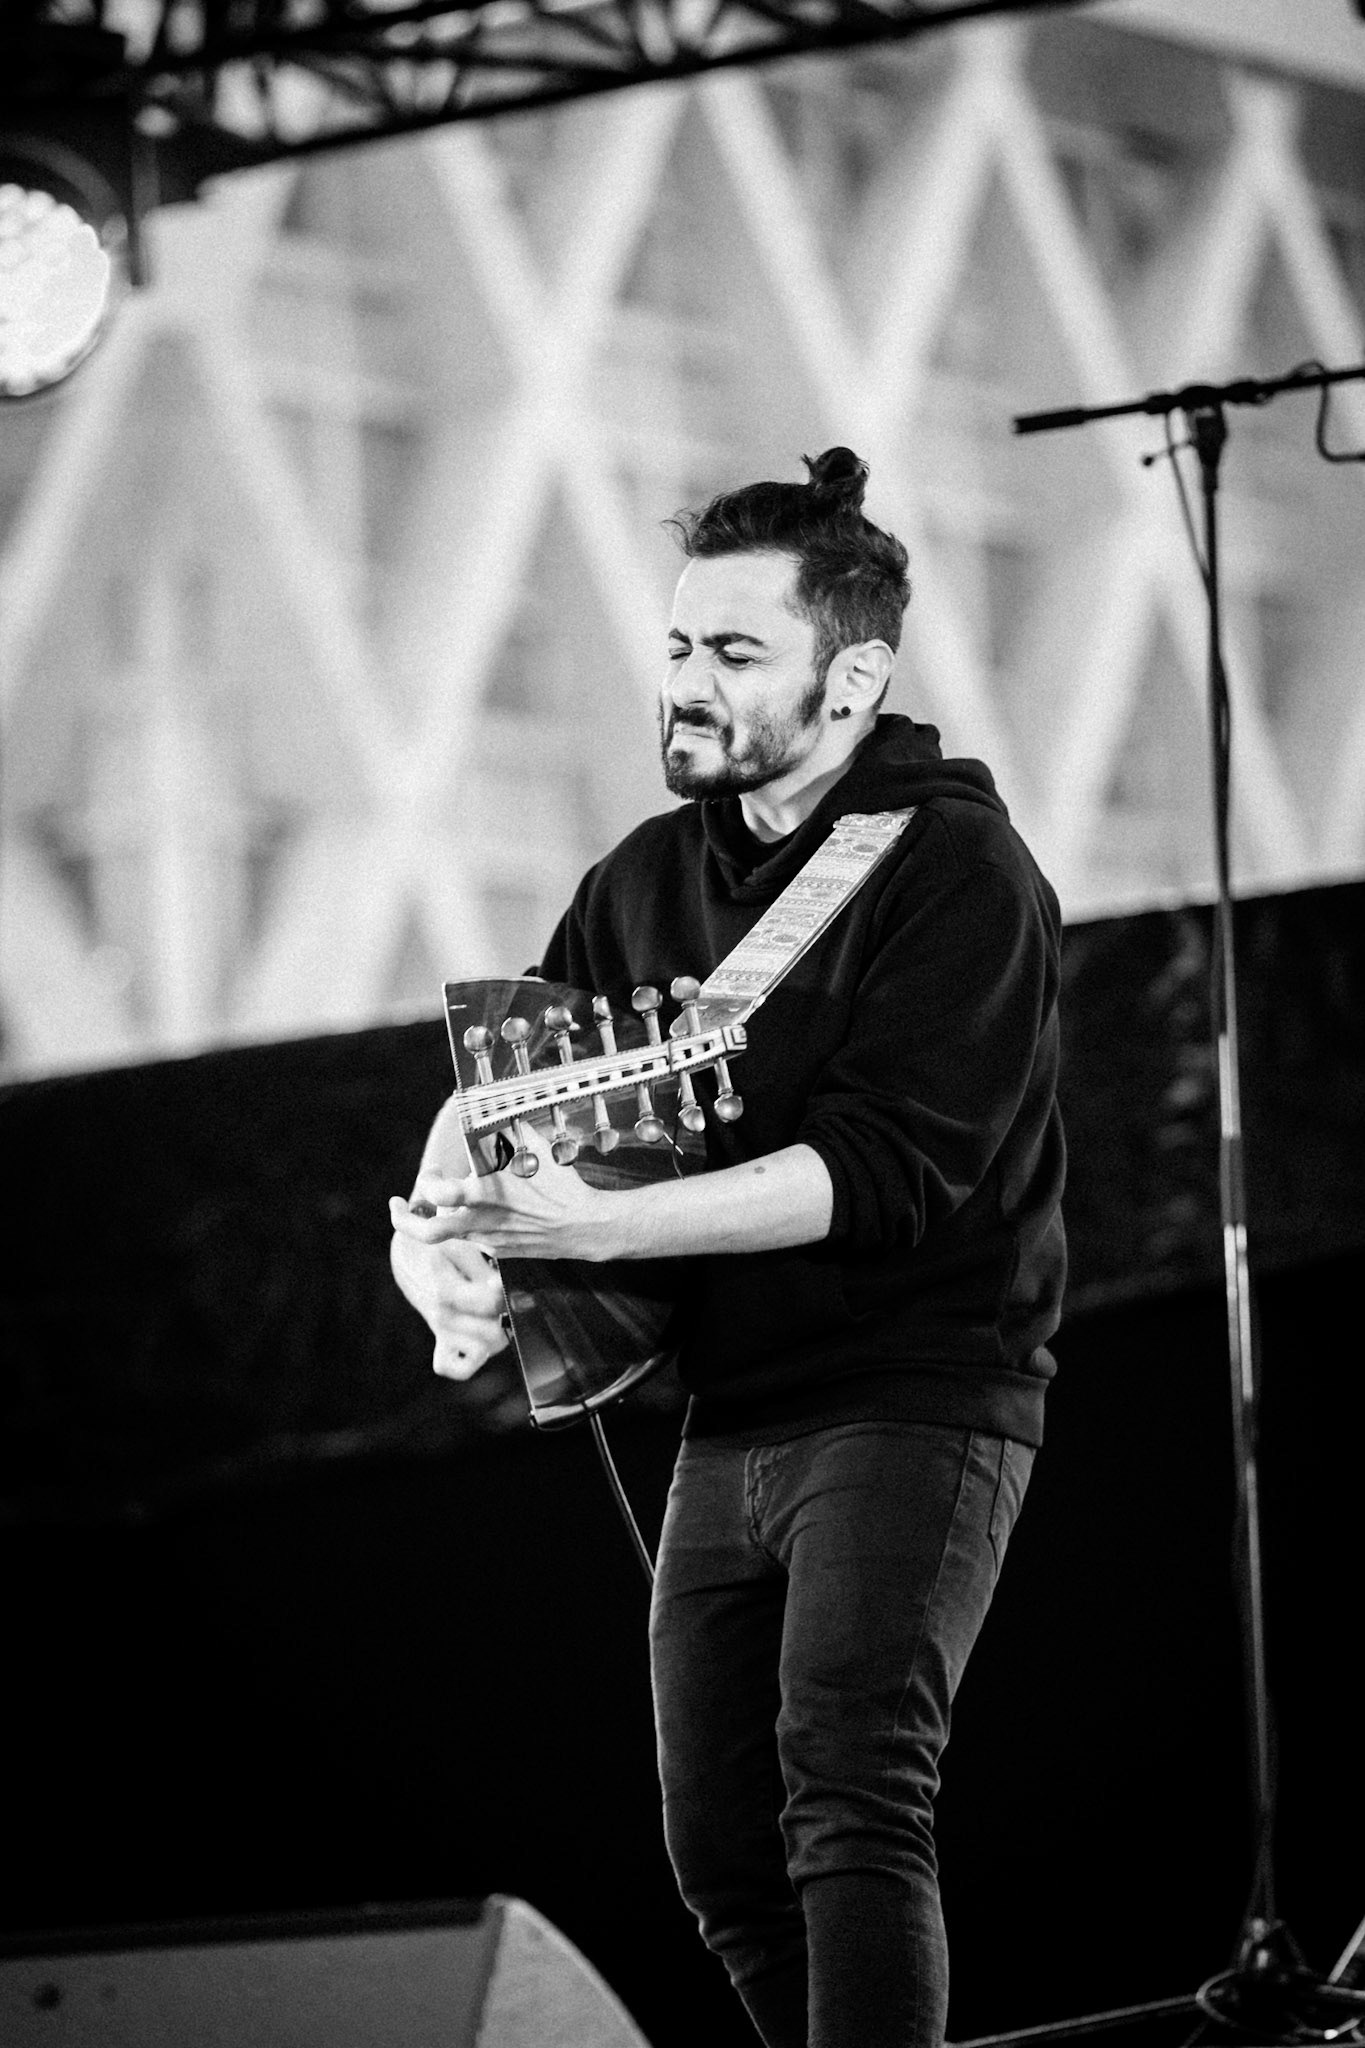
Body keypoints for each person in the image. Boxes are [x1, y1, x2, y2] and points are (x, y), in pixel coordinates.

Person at [389, 447, 1066, 2048]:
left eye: (733, 653)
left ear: (854, 678)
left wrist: (603, 1225)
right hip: (726, 1415)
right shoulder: (640, 875)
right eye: (680, 645)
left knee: (847, 1805)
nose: (685, 684)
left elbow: (886, 1173)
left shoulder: (955, 869)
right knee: (719, 1862)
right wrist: (440, 1255)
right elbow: (500, 1101)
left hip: (915, 1394)